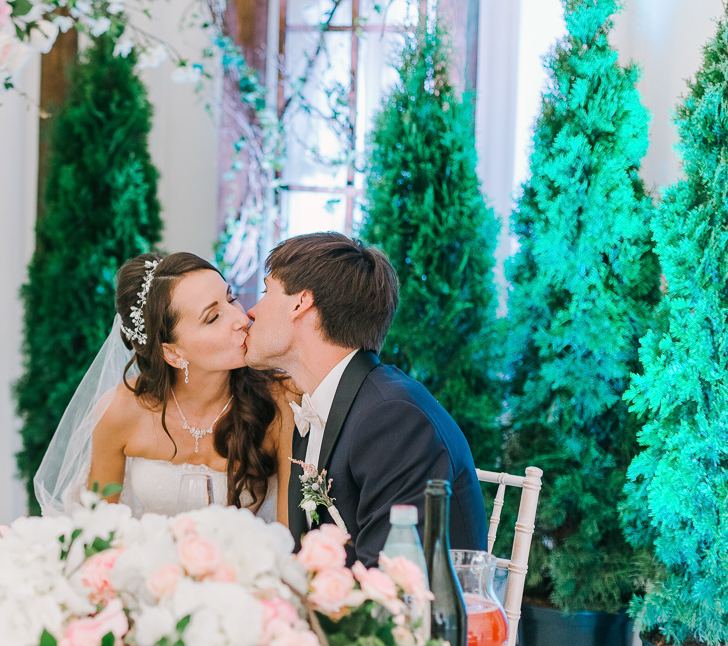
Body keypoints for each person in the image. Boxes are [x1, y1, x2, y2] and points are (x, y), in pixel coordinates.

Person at [244, 232, 487, 564]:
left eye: (265, 291)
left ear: (301, 303)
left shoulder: (393, 417)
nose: (252, 311)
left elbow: (392, 582)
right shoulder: (320, 407)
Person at [34, 252, 296, 521]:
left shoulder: (279, 402)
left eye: (231, 300)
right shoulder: (120, 411)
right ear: (173, 354)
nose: (241, 319)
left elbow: (292, 534)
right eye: (213, 317)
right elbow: (99, 529)